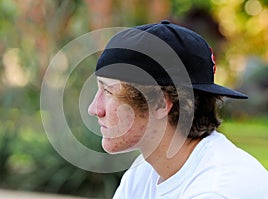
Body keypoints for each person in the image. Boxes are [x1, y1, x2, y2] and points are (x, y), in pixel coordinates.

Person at [88, 20, 268, 198]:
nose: (94, 109)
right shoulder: (143, 174)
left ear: (159, 103)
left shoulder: (215, 190)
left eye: (108, 91)